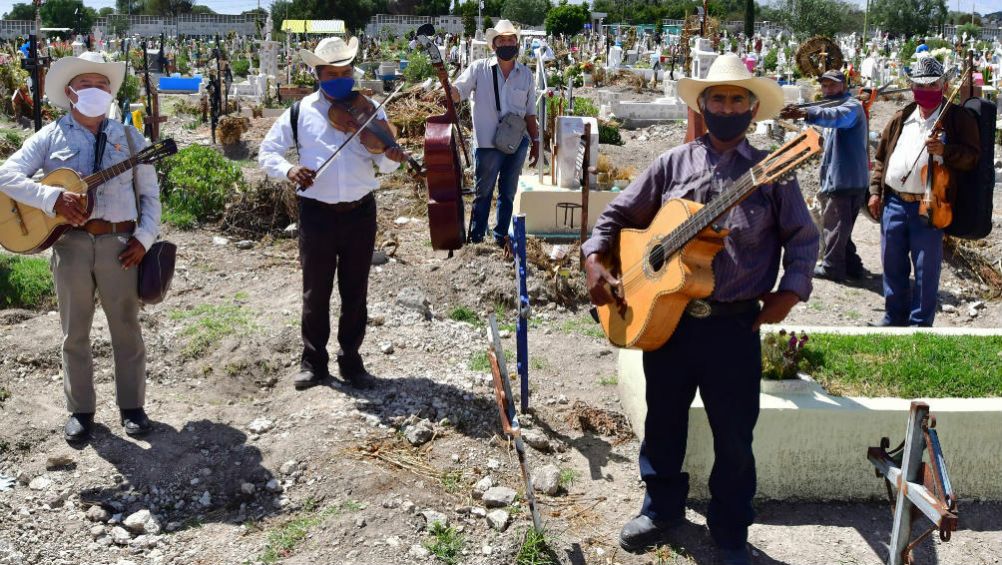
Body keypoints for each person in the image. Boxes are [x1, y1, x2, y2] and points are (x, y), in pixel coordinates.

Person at [581, 53, 819, 565]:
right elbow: (619, 214)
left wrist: (792, 290)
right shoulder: (673, 164)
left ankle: (731, 528)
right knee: (663, 421)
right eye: (718, 98)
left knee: (734, 435)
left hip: (733, 324)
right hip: (667, 322)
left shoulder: (771, 172)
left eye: (738, 99)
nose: (727, 106)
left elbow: (803, 237)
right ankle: (661, 507)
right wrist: (594, 259)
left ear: (753, 109)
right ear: (703, 104)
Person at [0, 52, 162, 442]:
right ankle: (81, 411)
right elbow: (6, 175)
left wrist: (143, 239)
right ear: (70, 93)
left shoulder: (130, 138)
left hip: (120, 244)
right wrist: (49, 199)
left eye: (103, 85)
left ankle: (133, 408)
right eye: (87, 85)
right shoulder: (50, 136)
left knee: (126, 328)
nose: (96, 91)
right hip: (70, 244)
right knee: (74, 333)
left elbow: (151, 198)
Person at [259, 36, 407, 390]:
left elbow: (384, 168)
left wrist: (391, 155)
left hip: (360, 212)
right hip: (316, 214)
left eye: (346, 72)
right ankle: (313, 362)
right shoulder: (299, 112)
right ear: (318, 73)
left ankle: (352, 361)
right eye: (333, 73)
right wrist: (290, 171)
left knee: (356, 290)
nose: (341, 78)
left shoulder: (371, 109)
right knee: (316, 290)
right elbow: (268, 152)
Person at [867, 56, 979, 327]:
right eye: (920, 85)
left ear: (943, 85)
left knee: (926, 270)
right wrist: (874, 192)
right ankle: (894, 318)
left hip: (930, 205)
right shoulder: (901, 117)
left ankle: (920, 325)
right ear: (912, 87)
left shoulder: (956, 118)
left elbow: (972, 157)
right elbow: (882, 157)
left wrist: (945, 151)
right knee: (892, 265)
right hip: (893, 201)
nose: (926, 91)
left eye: (932, 85)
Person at [449, 19, 540, 247]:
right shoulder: (479, 69)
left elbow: (530, 113)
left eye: (511, 39)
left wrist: (536, 141)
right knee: (483, 193)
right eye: (502, 40)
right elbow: (459, 91)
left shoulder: (526, 75)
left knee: (508, 193)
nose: (507, 43)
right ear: (494, 45)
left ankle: (500, 236)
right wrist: (448, 91)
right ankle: (478, 238)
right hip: (488, 144)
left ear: (517, 44)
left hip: (516, 144)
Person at [780, 69, 868, 282]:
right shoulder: (835, 105)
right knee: (841, 226)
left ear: (844, 86)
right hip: (840, 177)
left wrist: (806, 114)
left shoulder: (852, 107)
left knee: (835, 226)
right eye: (825, 85)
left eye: (833, 85)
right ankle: (852, 266)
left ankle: (832, 268)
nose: (828, 89)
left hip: (846, 179)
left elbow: (837, 118)